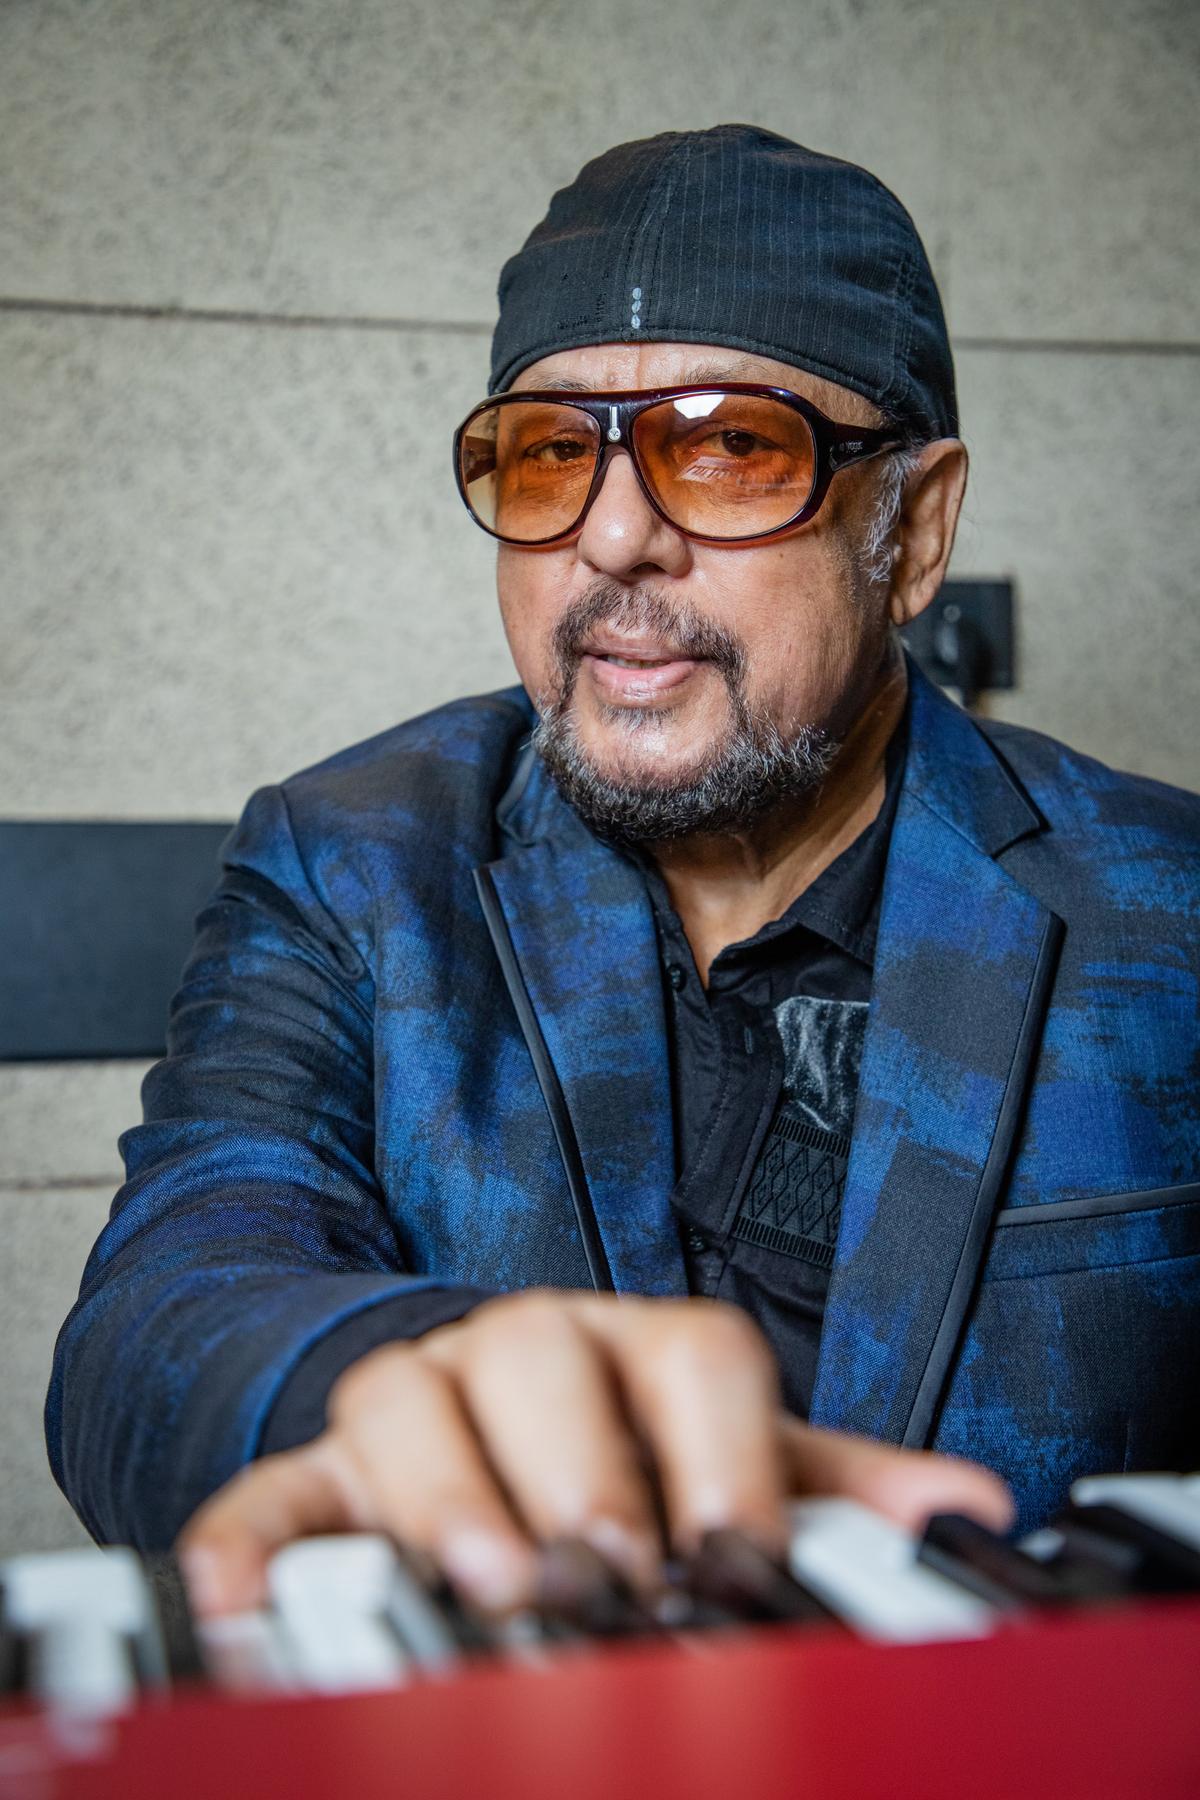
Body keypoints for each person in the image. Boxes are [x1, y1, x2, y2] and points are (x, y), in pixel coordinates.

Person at [48, 126, 1199, 1617]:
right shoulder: (352, 867)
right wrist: (381, 1384)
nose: (611, 538)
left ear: (912, 531)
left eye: (728, 446)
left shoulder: (1172, 912)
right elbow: (153, 1323)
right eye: (549, 454)